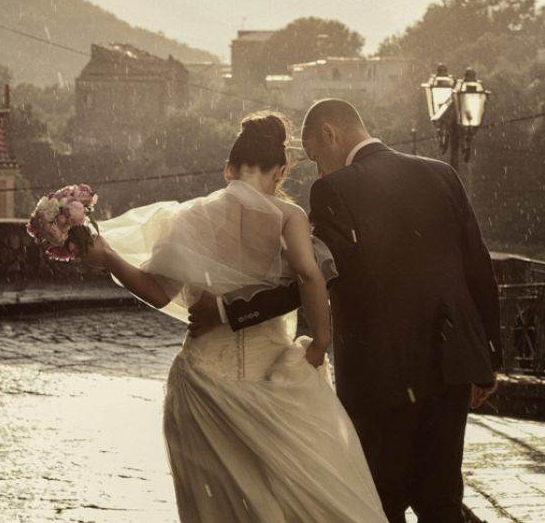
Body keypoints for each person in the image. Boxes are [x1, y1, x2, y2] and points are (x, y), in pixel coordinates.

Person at [190, 99, 502, 523]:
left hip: (382, 372)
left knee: (379, 499)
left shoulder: (336, 189)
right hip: (451, 361)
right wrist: (489, 358)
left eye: (316, 156)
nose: (318, 170)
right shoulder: (440, 173)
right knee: (441, 498)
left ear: (330, 134)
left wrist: (230, 310)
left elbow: (313, 274)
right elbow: (478, 266)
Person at [82, 113, 388, 523]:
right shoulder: (287, 216)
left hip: (202, 378)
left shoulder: (190, 217)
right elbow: (309, 273)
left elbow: (156, 292)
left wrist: (108, 258)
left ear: (228, 168)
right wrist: (320, 341)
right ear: (280, 172)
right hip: (273, 376)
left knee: (217, 507)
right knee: (295, 492)